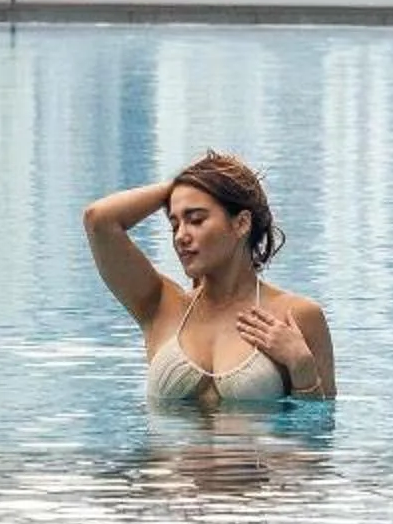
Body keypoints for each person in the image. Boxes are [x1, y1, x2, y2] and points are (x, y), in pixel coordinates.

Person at [83, 152, 337, 410]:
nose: (181, 236)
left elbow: (317, 432)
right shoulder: (160, 306)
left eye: (196, 220)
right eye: (174, 224)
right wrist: (183, 185)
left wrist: (301, 365)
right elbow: (99, 220)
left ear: (241, 223)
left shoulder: (297, 316)